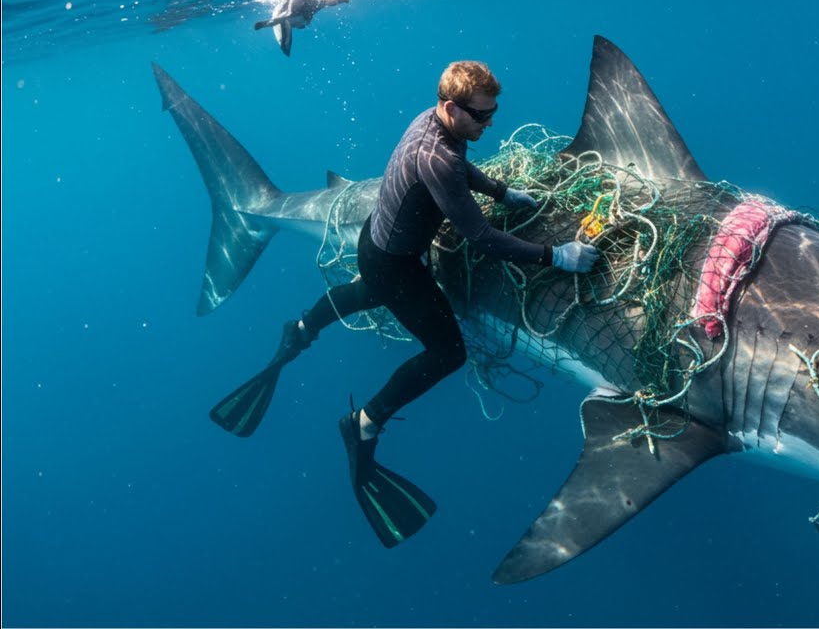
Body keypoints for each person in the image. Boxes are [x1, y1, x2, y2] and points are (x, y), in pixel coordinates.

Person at [211, 60, 600, 547]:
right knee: (447, 354)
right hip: (397, 266)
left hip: (376, 245)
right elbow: (480, 237)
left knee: (368, 291)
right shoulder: (438, 159)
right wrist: (556, 256)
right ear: (452, 108)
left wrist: (500, 190)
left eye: (494, 113)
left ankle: (301, 330)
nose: (490, 124)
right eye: (481, 116)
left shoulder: (430, 121)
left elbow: (459, 165)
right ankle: (364, 423)